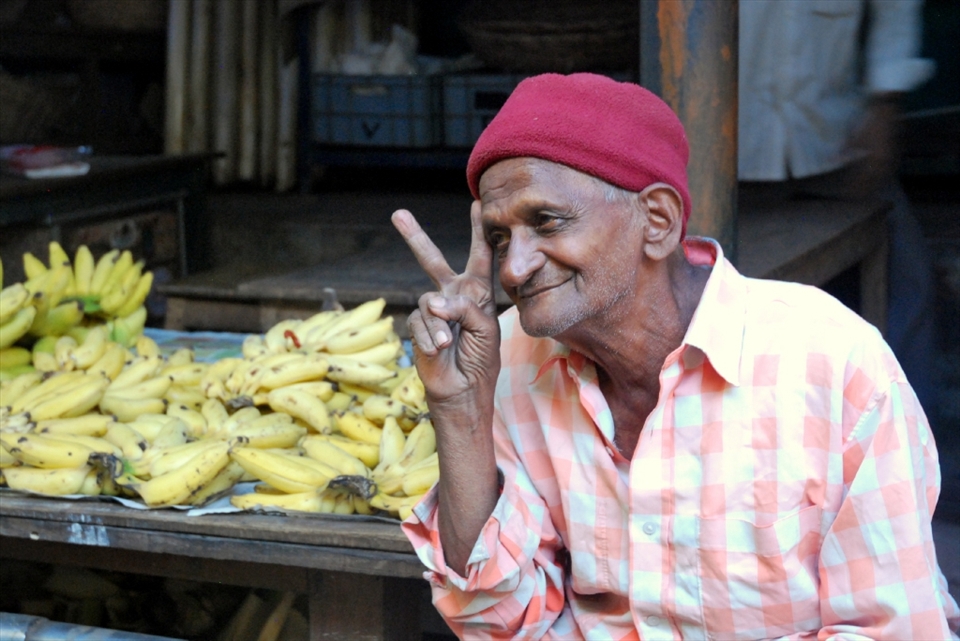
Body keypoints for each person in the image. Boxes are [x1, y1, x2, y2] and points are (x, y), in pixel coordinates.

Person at [391, 73, 959, 639]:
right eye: (498, 237)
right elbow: (499, 624)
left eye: (546, 222)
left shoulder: (832, 363)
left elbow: (895, 630)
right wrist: (461, 411)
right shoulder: (509, 357)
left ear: (657, 222)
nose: (513, 268)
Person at [738, 0, 938, 414]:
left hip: (836, 147)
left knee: (908, 284)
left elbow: (896, 11)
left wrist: (885, 103)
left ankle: (913, 456)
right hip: (727, 158)